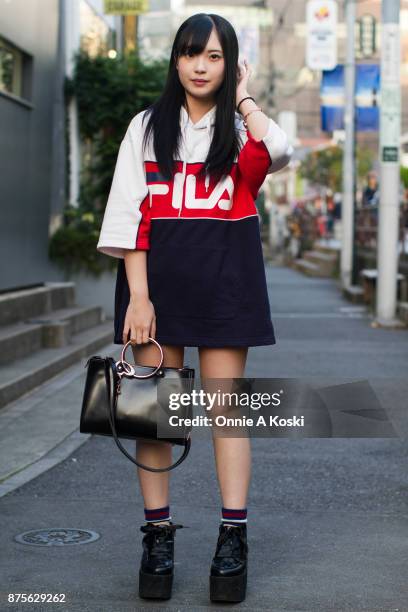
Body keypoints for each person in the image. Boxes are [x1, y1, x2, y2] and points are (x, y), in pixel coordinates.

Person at [97, 12, 292, 603]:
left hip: (227, 283)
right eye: (190, 54)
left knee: (226, 414)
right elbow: (130, 214)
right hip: (155, 288)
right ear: (175, 60)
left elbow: (280, 148)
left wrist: (247, 97)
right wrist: (138, 295)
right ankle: (158, 537)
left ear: (230, 64)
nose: (200, 66)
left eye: (214, 57)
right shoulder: (147, 127)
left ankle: (233, 537)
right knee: (153, 414)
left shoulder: (243, 132)